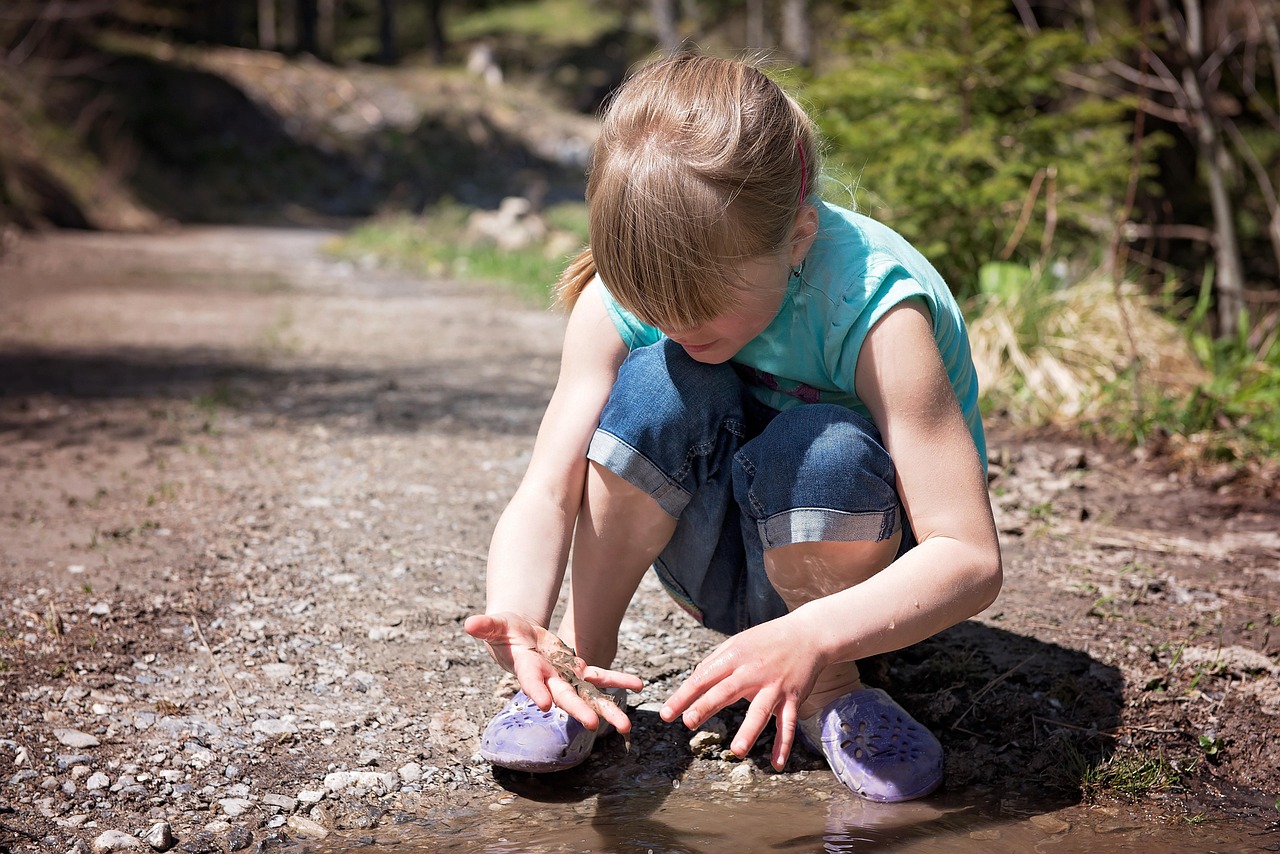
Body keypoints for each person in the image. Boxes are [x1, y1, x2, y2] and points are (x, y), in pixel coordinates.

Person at [463, 52, 1002, 803]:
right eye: (653, 303)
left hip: (860, 590)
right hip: (710, 559)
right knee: (657, 383)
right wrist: (522, 619)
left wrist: (816, 634)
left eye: (704, 301)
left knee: (828, 444)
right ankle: (580, 670)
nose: (677, 322)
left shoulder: (876, 305)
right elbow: (546, 492)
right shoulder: (624, 294)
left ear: (798, 238)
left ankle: (831, 686)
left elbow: (968, 556)